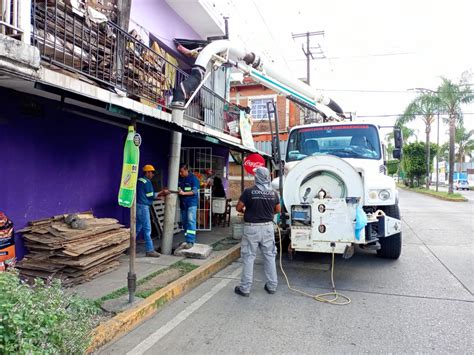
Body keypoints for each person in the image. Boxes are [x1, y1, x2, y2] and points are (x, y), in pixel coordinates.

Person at [234, 167, 281, 297]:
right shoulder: (273, 193)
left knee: (249, 257)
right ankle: (272, 286)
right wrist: (267, 213)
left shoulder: (249, 192)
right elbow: (278, 209)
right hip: (267, 228)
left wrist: (247, 211)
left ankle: (245, 288)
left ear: (257, 177)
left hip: (252, 228)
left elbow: (238, 207)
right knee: (269, 256)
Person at [136, 164, 168, 257]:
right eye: (152, 172)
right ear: (147, 172)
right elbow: (150, 195)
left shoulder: (139, 180)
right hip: (143, 207)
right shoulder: (147, 182)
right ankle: (149, 250)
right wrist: (162, 192)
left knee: (137, 229)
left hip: (138, 206)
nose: (153, 174)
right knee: (147, 229)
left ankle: (128, 247)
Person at [176, 164, 200, 250]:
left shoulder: (193, 179)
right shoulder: (180, 179)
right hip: (183, 204)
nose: (180, 173)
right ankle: (187, 239)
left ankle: (190, 241)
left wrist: (183, 193)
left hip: (191, 204)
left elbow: (194, 191)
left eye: (182, 171)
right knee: (185, 222)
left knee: (191, 221)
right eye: (179, 171)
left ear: (186, 170)